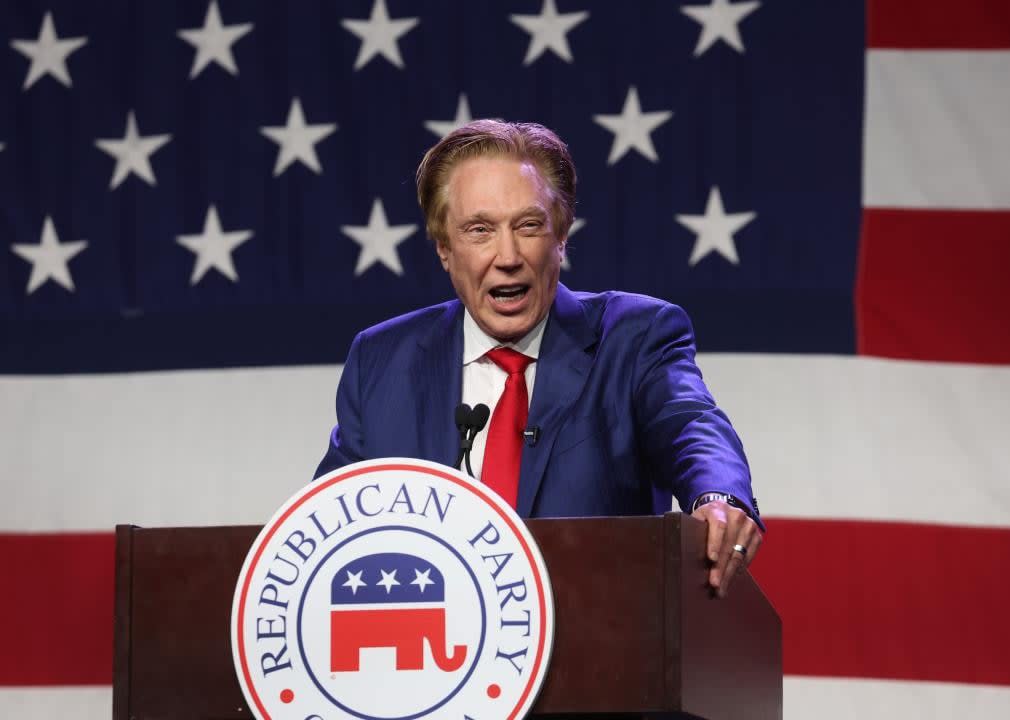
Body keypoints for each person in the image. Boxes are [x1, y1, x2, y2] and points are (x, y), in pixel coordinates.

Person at [316, 120, 762, 597]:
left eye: (528, 226)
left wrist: (719, 496)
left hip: (599, 644)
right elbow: (326, 526)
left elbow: (690, 424)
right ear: (445, 249)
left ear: (561, 237)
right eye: (479, 230)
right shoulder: (382, 362)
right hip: (429, 654)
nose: (507, 255)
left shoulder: (633, 338)